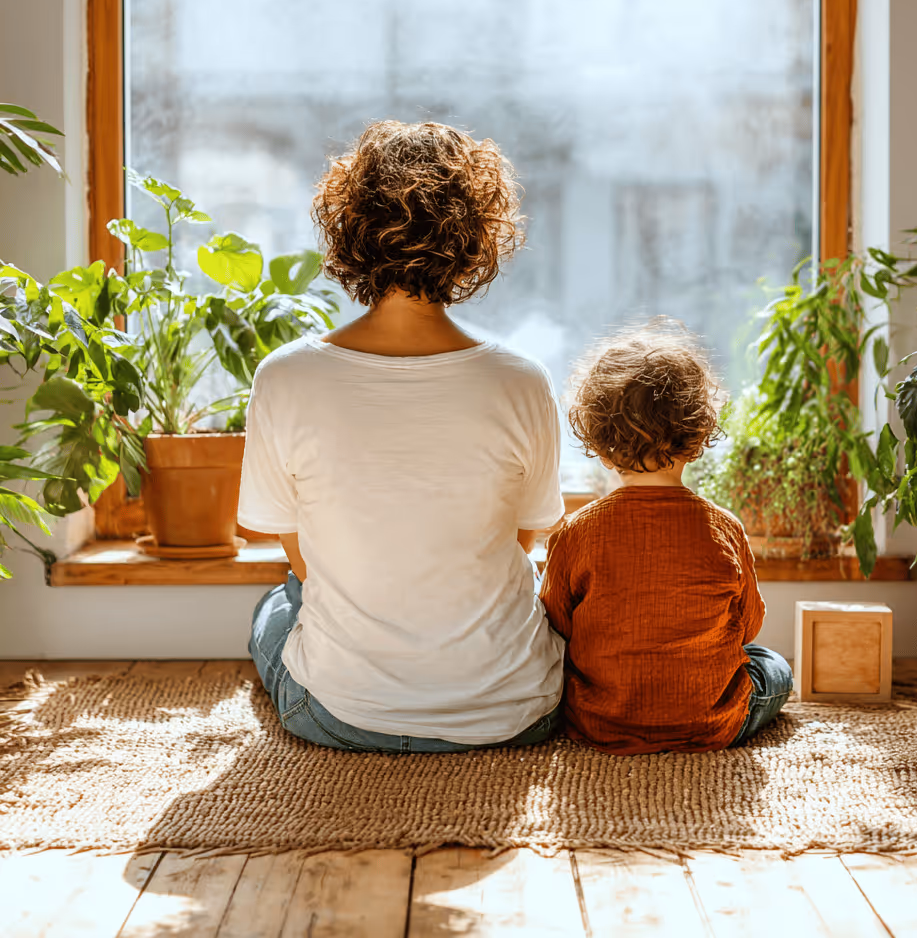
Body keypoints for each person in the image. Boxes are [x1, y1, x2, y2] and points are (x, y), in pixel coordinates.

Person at [239, 120, 565, 752]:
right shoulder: (523, 382)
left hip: (340, 714)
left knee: (276, 610)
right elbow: (523, 540)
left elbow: (301, 557)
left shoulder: (284, 377)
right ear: (476, 239)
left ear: (348, 230)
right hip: (516, 711)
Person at [539, 320, 793, 755]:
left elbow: (557, 623)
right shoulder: (724, 529)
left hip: (601, 720)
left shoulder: (576, 532)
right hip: (710, 722)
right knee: (772, 666)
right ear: (697, 441)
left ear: (599, 446)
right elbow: (748, 625)